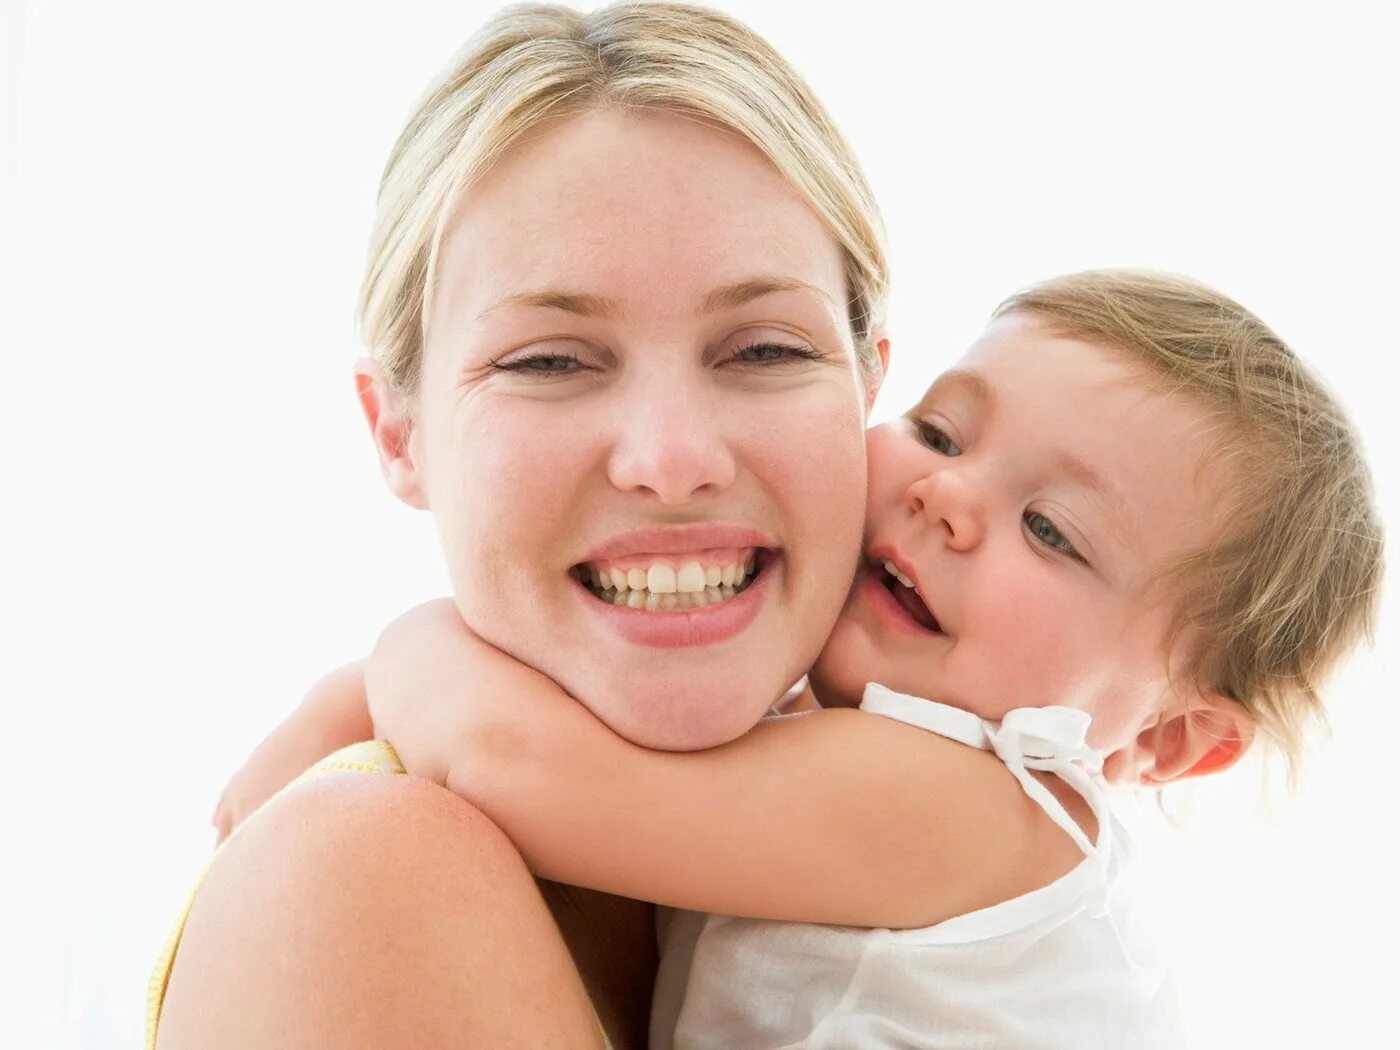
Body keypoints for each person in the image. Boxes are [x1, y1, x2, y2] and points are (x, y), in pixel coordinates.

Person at [353, 269, 1382, 1048]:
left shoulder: (985, 809)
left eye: (1052, 531)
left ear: (1167, 738)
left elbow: (512, 762)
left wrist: (396, 654)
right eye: (939, 432)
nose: (947, 496)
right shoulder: (835, 745)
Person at [149, 4, 890, 1048]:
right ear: (397, 433)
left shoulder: (951, 816)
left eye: (764, 351)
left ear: (868, 388)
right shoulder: (364, 877)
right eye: (548, 361)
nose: (672, 462)